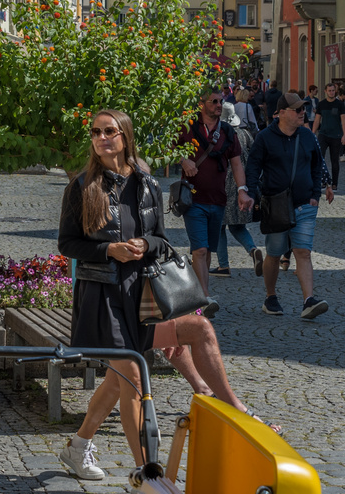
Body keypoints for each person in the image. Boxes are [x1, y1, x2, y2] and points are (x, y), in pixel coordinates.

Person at [57, 109, 267, 481]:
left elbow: (163, 241)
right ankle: (149, 474)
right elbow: (68, 244)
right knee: (133, 375)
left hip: (144, 295)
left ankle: (234, 407)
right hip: (103, 299)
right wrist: (109, 250)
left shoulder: (147, 184)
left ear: (125, 136)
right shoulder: (81, 187)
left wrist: (144, 243)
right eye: (95, 132)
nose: (102, 138)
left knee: (199, 332)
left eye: (109, 131)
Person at [247, 92, 333, 318]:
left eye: (303, 109)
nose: (303, 113)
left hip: (305, 204)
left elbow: (317, 165)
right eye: (298, 110)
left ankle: (308, 301)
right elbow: (253, 168)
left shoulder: (307, 136)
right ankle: (270, 296)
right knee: (274, 253)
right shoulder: (265, 137)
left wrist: (315, 193)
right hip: (275, 205)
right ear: (281, 113)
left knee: (303, 252)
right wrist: (251, 194)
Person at [175, 90, 252, 302]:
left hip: (218, 200)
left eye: (221, 101)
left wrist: (242, 191)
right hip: (192, 199)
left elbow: (236, 163)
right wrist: (183, 161)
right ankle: (204, 296)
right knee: (199, 249)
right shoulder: (188, 126)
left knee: (208, 250)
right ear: (202, 104)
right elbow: (169, 148)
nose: (219, 105)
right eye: (214, 101)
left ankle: (202, 292)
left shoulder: (227, 131)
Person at [214, 100, 263, 277]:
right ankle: (252, 250)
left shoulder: (219, 135)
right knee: (237, 226)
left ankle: (223, 266)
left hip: (222, 184)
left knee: (219, 226)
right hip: (242, 184)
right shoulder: (244, 134)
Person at [313, 83, 345, 190]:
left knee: (335, 161)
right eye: (329, 90)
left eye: (333, 90)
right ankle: (323, 180)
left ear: (336, 91)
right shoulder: (321, 104)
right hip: (323, 134)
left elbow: (344, 120)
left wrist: (344, 135)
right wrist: (312, 133)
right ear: (325, 91)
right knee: (320, 158)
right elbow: (317, 120)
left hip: (336, 135)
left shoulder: (339, 104)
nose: (331, 92)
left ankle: (334, 183)